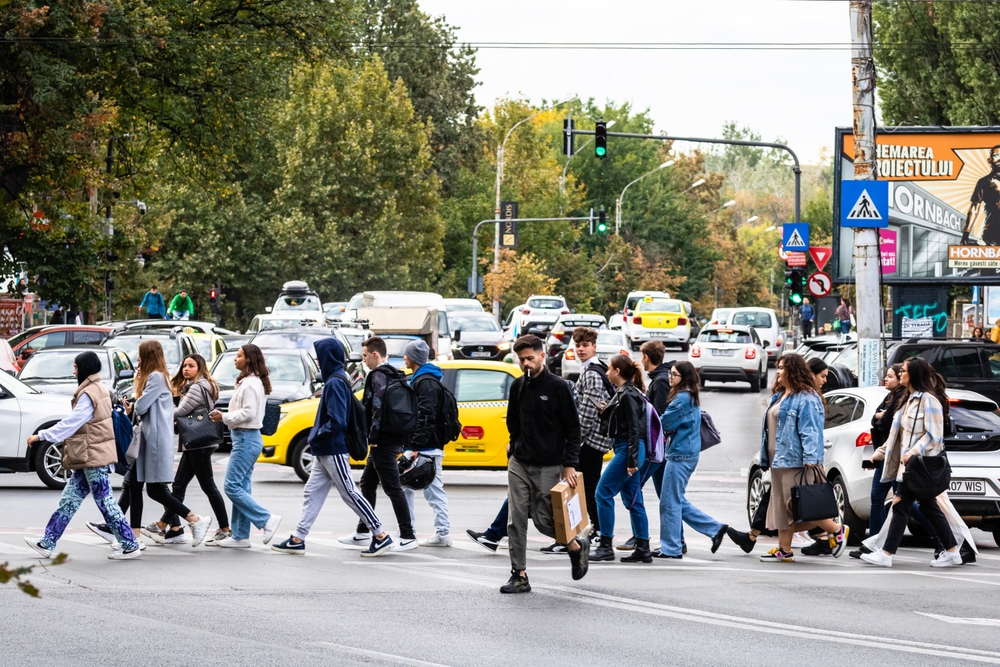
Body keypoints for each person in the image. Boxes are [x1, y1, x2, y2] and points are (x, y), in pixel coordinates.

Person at [272, 338, 393, 557]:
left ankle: (380, 534)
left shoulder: (335, 382)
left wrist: (317, 433)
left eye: (319, 355)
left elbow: (338, 420)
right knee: (312, 491)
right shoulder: (336, 379)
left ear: (329, 356)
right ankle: (298, 538)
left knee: (349, 492)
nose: (317, 359)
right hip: (324, 449)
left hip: (333, 448)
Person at [22, 351, 141, 560]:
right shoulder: (98, 388)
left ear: (84, 368)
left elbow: (72, 422)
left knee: (105, 501)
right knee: (69, 499)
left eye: (76, 367)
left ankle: (130, 544)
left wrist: (41, 436)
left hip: (92, 455)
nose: (74, 371)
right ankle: (47, 542)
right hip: (89, 455)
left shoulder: (89, 393)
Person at [502, 334, 589, 593]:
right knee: (515, 519)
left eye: (530, 358)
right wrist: (514, 444)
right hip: (519, 462)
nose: (526, 363)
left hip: (549, 464)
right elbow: (512, 422)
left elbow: (573, 430)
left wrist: (569, 464)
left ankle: (575, 546)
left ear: (542, 356)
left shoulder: (559, 387)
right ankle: (519, 575)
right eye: (521, 360)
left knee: (543, 520)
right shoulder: (517, 386)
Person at [861, 357, 963, 568]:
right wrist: (877, 455)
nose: (901, 375)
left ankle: (886, 553)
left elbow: (935, 435)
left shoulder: (929, 400)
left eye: (904, 371)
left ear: (914, 375)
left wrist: (913, 453)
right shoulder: (907, 400)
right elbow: (895, 437)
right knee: (926, 507)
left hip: (917, 466)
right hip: (905, 467)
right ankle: (952, 551)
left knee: (901, 506)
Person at [755, 354, 848, 562]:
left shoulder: (807, 397)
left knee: (794, 504)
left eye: (781, 368)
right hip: (777, 460)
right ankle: (784, 550)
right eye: (777, 367)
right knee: (781, 506)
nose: (777, 372)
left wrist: (811, 458)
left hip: (795, 461)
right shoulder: (778, 396)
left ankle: (837, 529)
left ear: (793, 371)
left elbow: (811, 431)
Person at [125, 341, 213, 549]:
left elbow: (141, 405)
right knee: (135, 487)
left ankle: (194, 519)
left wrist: (138, 390)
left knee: (155, 490)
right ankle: (134, 536)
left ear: (147, 356)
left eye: (139, 355)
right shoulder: (160, 376)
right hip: (150, 439)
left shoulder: (155, 377)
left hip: (153, 441)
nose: (137, 359)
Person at [657, 361, 746, 559]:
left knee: (669, 503)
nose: (669, 377)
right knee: (675, 501)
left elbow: (665, 422)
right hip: (686, 454)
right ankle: (715, 530)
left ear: (684, 378)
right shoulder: (689, 395)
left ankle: (671, 548)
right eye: (670, 374)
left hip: (680, 454)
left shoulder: (681, 398)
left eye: (674, 375)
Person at [340, 336, 417, 550]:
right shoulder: (395, 373)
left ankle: (408, 535)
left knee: (393, 488)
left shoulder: (377, 376)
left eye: (365, 356)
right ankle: (363, 530)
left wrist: (371, 438)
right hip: (392, 436)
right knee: (367, 483)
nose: (363, 360)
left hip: (382, 440)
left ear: (375, 355)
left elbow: (377, 407)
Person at [146, 354, 231, 546]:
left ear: (200, 368)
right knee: (179, 486)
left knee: (208, 487)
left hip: (198, 445)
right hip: (197, 444)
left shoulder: (196, 388)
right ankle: (163, 526)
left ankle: (224, 529)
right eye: (184, 365)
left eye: (191, 366)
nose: (186, 369)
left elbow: (180, 412)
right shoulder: (200, 386)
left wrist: (160, 410)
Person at [209, 344, 282, 547]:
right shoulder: (252, 381)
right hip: (247, 437)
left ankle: (266, 519)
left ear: (249, 359)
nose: (235, 359)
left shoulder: (250, 384)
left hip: (246, 437)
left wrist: (223, 417)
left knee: (232, 486)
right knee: (242, 486)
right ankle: (241, 536)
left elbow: (249, 413)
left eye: (239, 356)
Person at [591, 354, 651, 563]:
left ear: (617, 371)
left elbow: (635, 428)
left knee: (602, 492)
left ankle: (606, 545)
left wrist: (632, 461)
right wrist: (606, 410)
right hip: (629, 450)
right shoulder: (624, 392)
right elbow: (626, 424)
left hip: (629, 450)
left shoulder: (627, 394)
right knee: (633, 500)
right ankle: (643, 548)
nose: (607, 372)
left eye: (609, 369)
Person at [402, 339, 452, 547]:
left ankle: (439, 532)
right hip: (426, 445)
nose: (404, 357)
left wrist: (415, 447)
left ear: (413, 358)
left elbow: (426, 415)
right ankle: (412, 529)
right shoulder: (423, 379)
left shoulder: (425, 382)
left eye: (406, 355)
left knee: (431, 490)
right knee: (408, 487)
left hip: (426, 447)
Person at [569, 327, 613, 550]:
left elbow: (587, 414)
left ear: (594, 346)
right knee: (589, 488)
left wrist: (575, 441)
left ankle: (597, 530)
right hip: (594, 440)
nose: (581, 349)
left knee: (589, 489)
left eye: (585, 345)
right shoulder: (594, 369)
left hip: (591, 442)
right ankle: (596, 528)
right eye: (578, 345)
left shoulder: (593, 373)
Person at [962, 145, 1000, 246]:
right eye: (996, 155)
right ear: (990, 160)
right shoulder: (984, 182)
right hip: (991, 237)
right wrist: (965, 234)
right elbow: (974, 209)